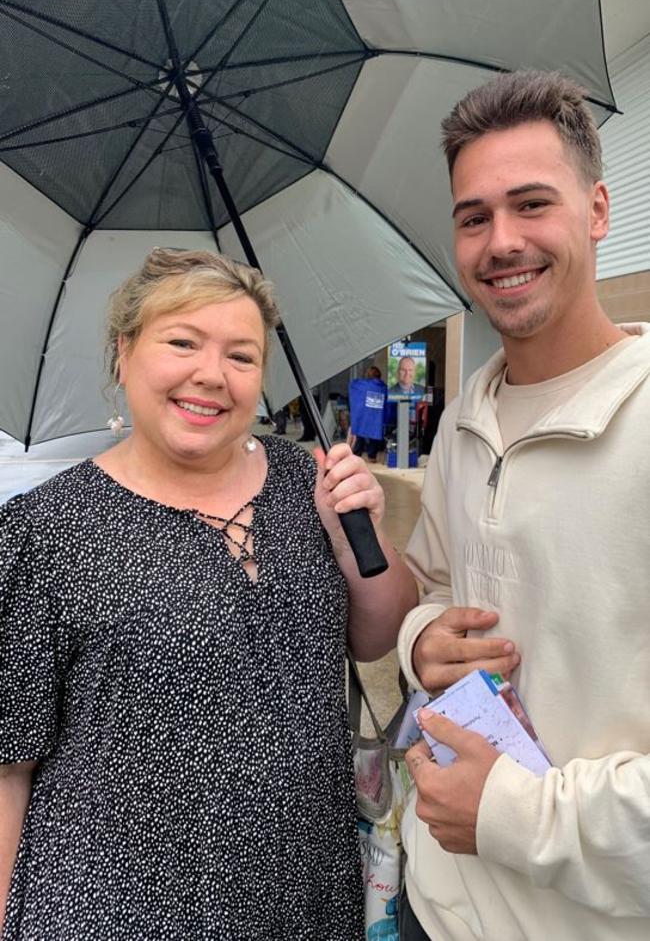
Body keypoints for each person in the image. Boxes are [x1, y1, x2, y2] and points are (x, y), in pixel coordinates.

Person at [0, 248, 418, 940]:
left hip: (304, 893)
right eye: (182, 342)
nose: (210, 375)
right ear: (124, 351)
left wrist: (355, 540)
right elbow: (7, 764)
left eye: (241, 355)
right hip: (117, 908)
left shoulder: (304, 480)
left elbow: (376, 638)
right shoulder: (46, 528)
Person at [396, 70, 650, 940]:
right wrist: (419, 639)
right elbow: (433, 588)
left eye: (531, 204)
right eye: (474, 217)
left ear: (599, 210)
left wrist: (511, 812)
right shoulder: (464, 419)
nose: (501, 241)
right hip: (435, 904)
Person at [349, 365, 387, 462]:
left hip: (363, 416)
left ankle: (356, 455)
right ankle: (372, 456)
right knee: (373, 435)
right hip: (376, 417)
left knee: (360, 435)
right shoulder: (383, 387)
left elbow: (352, 385)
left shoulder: (362, 385)